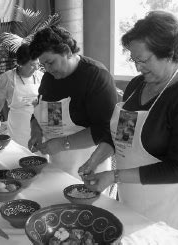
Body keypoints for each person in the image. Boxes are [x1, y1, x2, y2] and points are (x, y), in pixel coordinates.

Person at [79, 11, 178, 230]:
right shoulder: (137, 85)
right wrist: (94, 160)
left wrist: (115, 175)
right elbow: (122, 135)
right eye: (134, 60)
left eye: (144, 60)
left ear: (170, 53)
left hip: (164, 212)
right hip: (129, 201)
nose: (137, 68)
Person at [28, 26, 118, 180]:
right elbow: (40, 111)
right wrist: (36, 131)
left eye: (50, 62)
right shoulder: (49, 78)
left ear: (67, 51)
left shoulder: (96, 77)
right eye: (43, 65)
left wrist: (63, 144)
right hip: (57, 163)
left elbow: (104, 130)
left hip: (88, 164)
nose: (47, 69)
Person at [0, 43, 43, 148]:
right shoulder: (7, 78)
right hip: (18, 126)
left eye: (38, 64)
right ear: (21, 64)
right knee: (18, 154)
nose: (36, 68)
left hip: (38, 125)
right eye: (32, 64)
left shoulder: (41, 77)